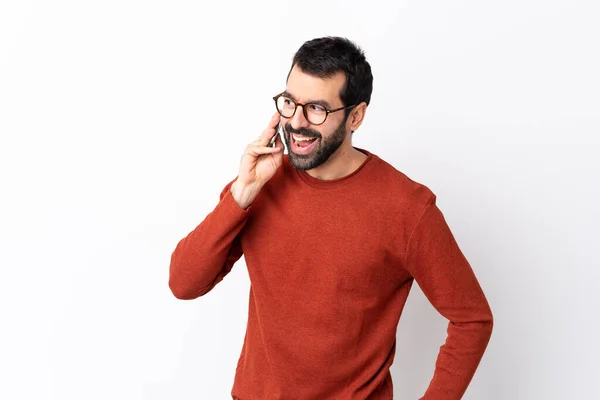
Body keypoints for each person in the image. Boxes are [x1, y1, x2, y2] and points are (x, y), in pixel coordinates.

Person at [169, 36, 494, 400]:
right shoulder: (259, 183)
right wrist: (240, 195)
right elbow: (184, 283)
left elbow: (472, 319)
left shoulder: (407, 208)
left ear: (355, 115)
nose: (296, 122)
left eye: (317, 110)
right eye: (290, 103)